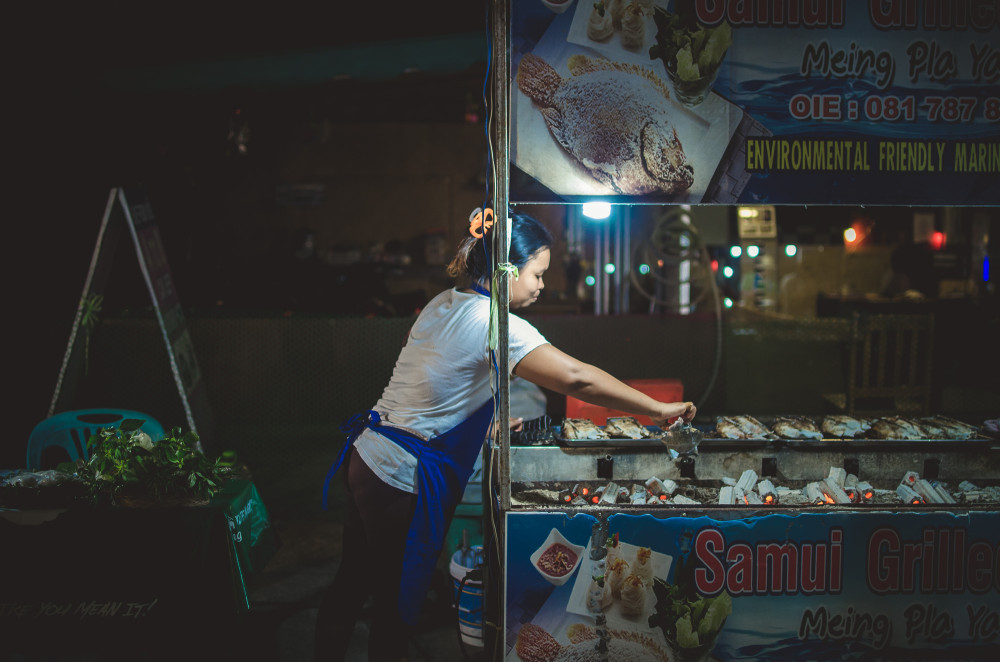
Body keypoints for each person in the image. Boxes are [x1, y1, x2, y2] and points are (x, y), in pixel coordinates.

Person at [314, 211, 696, 661]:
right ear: (508, 269)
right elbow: (576, 378)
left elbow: (429, 380)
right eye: (537, 274)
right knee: (396, 608)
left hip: (367, 458)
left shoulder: (444, 301)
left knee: (353, 581)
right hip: (400, 474)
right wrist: (657, 409)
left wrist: (482, 423)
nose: (541, 286)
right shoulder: (498, 322)